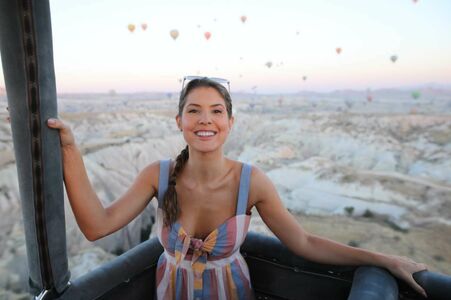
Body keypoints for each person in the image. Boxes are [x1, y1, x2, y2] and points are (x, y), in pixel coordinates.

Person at [45, 77, 427, 299]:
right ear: (179, 120)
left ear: (231, 121)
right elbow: (96, 226)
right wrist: (70, 149)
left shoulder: (252, 182)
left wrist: (383, 260)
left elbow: (305, 243)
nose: (205, 119)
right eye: (194, 110)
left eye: (216, 111)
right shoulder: (157, 176)